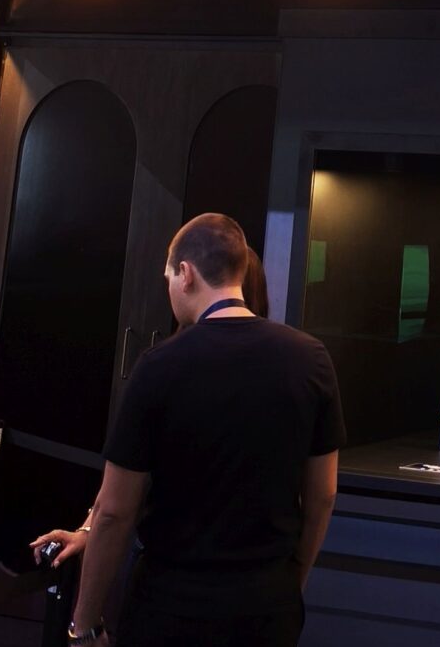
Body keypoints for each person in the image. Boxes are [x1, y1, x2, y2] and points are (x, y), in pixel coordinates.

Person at [62, 213, 344, 647]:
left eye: (168, 275)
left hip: (170, 606)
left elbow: (116, 512)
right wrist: (289, 580)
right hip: (263, 607)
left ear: (185, 273)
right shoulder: (309, 359)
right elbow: (323, 494)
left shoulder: (160, 367)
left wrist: (85, 628)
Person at [30, 245, 270, 572]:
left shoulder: (164, 367)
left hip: (175, 566)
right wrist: (88, 530)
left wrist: (86, 608)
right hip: (251, 569)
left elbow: (125, 491)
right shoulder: (283, 368)